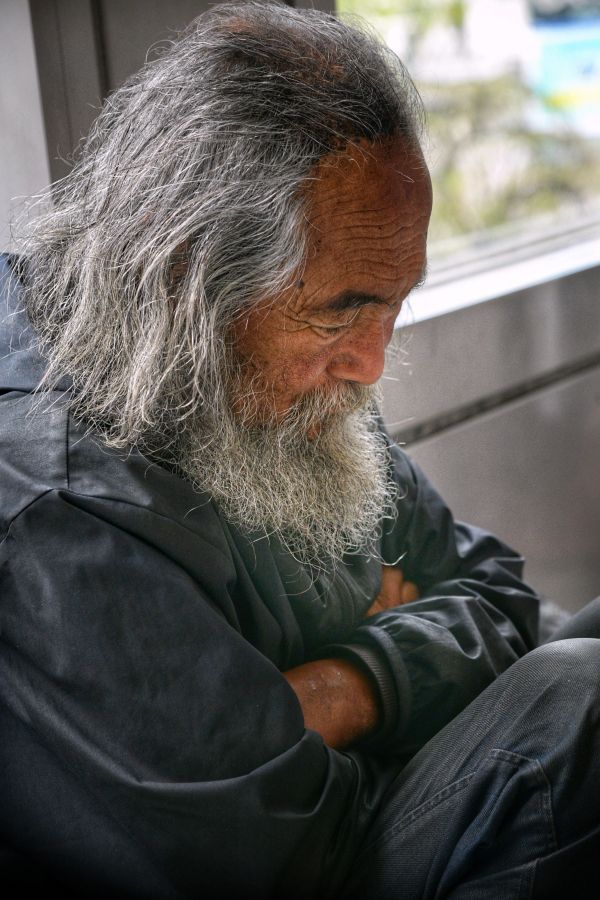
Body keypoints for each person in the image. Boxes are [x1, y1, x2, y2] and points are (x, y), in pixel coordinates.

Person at [1, 2, 599, 897]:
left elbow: (498, 592)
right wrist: (426, 681)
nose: (372, 362)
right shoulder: (59, 501)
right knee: (575, 696)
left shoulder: (283, 378)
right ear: (187, 279)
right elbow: (266, 856)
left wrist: (345, 685)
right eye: (343, 312)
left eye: (392, 308)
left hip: (351, 804)